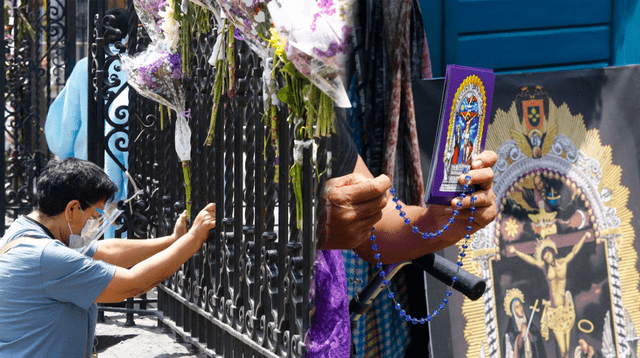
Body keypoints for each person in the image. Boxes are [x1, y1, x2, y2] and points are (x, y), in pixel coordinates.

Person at [306, 115, 498, 356]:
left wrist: (438, 222)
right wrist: (304, 224)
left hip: (325, 341)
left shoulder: (305, 93)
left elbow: (376, 229)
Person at [0, 157, 216, 357]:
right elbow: (132, 285)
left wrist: (173, 240)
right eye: (94, 216)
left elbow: (108, 251)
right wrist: (195, 238)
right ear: (72, 208)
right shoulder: (48, 257)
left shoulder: (23, 232)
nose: (92, 224)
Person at [45, 7, 130, 238]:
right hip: (129, 179)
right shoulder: (137, 68)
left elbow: (63, 136)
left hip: (89, 181)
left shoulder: (85, 67)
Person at [508, 232, 591, 358]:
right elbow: (531, 260)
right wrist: (516, 251)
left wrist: (584, 237)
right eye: (545, 257)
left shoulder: (563, 262)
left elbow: (574, 251)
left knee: (568, 349)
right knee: (563, 351)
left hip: (566, 310)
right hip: (554, 313)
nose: (547, 258)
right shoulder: (544, 267)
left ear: (553, 252)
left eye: (548, 254)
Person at [503, 288, 547, 358]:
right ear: (513, 311)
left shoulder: (532, 327)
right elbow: (512, 350)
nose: (520, 308)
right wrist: (521, 337)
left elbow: (538, 344)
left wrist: (529, 333)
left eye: (520, 305)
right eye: (517, 307)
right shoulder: (510, 333)